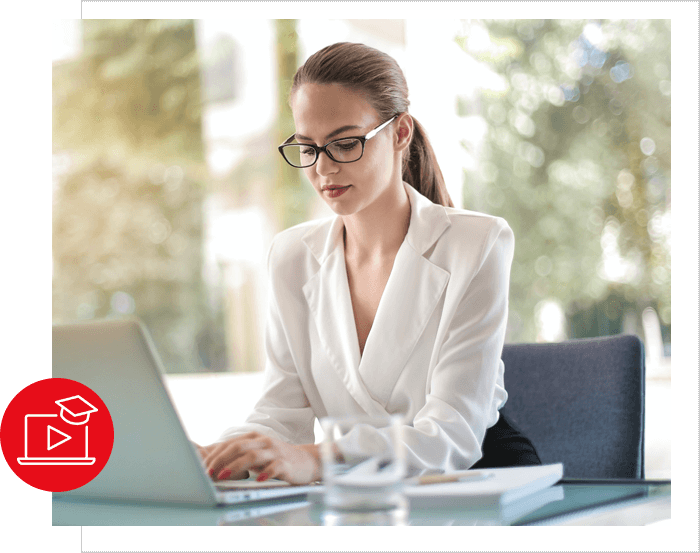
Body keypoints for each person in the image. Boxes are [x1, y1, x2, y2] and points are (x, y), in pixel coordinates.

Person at [197, 42, 539, 485]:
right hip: (362, 491)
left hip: (475, 481)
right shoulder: (291, 257)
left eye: (344, 143)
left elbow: (452, 435)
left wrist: (320, 460)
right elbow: (280, 413)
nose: (323, 168)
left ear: (400, 134)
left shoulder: (477, 243)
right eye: (308, 147)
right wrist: (219, 456)